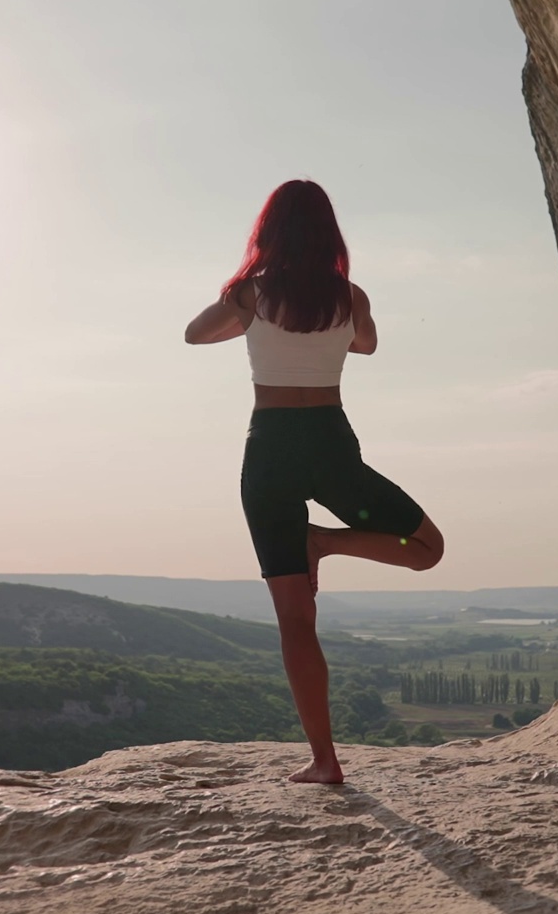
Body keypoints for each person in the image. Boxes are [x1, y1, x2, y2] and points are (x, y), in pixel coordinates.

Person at [184, 180, 444, 784]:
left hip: (270, 448)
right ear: (329, 233)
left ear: (268, 233)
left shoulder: (248, 293)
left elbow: (196, 333)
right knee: (426, 550)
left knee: (296, 621)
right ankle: (325, 541)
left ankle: (325, 760)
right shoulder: (349, 297)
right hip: (330, 444)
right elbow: (369, 346)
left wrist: (244, 307)